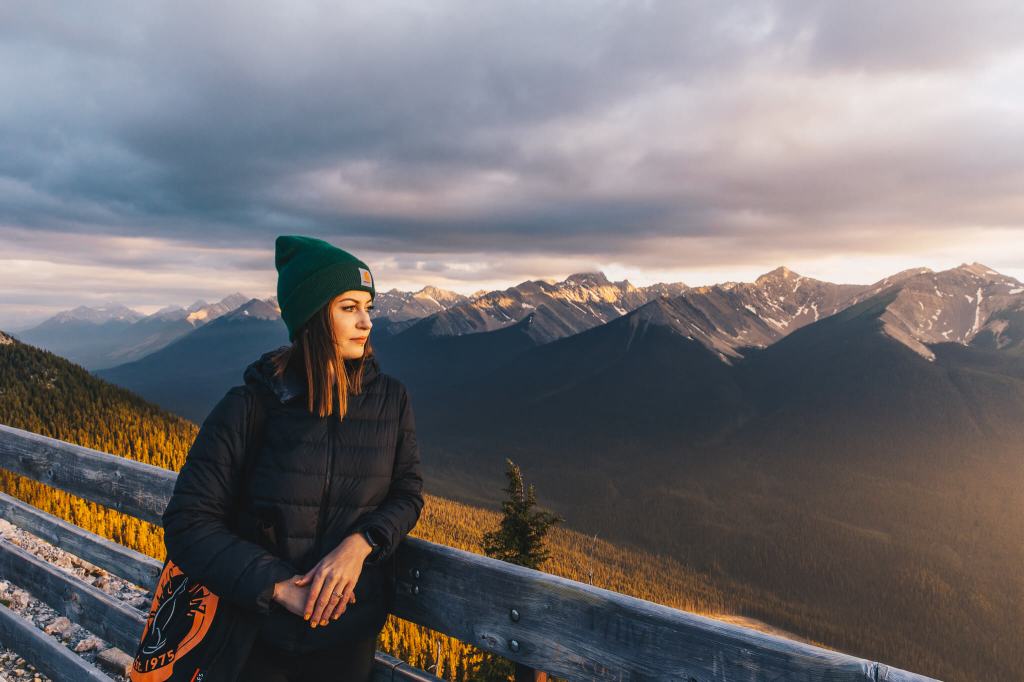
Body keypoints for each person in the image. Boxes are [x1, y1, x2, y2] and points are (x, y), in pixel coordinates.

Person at [160, 235, 425, 682]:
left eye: (369, 307)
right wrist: (277, 586)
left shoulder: (390, 400)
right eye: (348, 308)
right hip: (254, 637)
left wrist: (361, 544)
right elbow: (188, 523)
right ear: (313, 317)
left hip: (347, 641)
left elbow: (408, 492)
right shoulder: (249, 406)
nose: (366, 322)